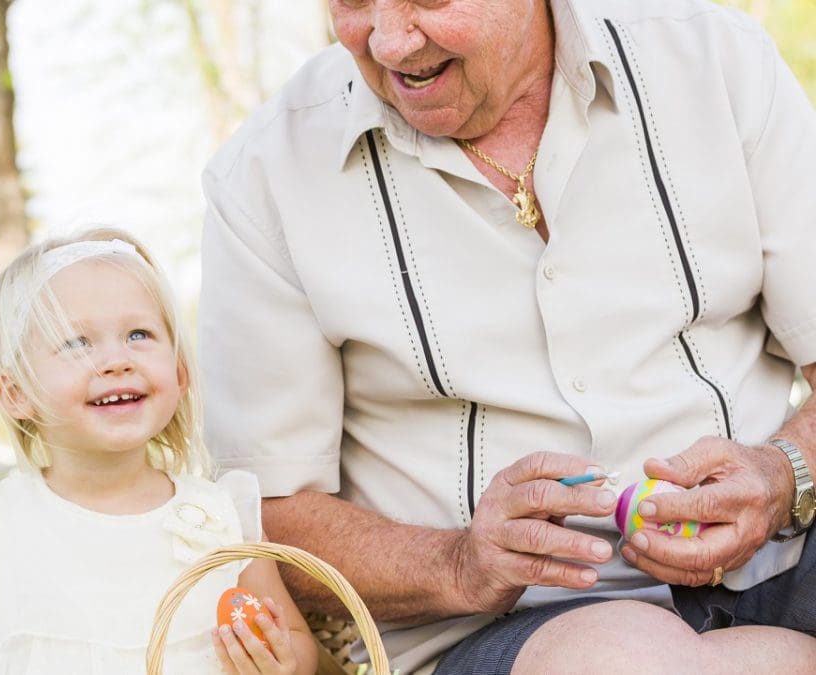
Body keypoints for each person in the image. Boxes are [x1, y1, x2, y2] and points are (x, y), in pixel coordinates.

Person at [198, 0, 816, 672]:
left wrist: (787, 470)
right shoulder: (264, 175)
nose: (389, 40)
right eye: (351, 1)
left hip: (786, 562)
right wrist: (457, 560)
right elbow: (271, 521)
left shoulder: (715, 60)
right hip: (494, 631)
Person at [0, 227, 317, 674]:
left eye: (138, 334)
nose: (116, 360)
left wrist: (283, 662)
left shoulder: (222, 520)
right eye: (77, 343)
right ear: (17, 393)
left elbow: (298, 641)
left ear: (180, 371)